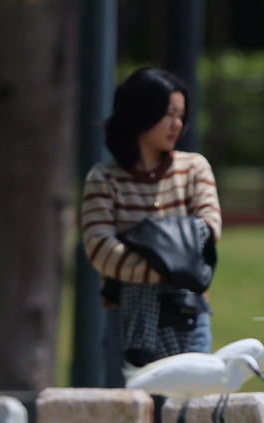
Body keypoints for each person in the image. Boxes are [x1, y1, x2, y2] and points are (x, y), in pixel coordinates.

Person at [81, 67, 222, 387]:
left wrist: (140, 246)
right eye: (168, 114)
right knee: (127, 419)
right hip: (125, 317)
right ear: (141, 112)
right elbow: (100, 248)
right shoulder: (103, 179)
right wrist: (176, 262)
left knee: (188, 415)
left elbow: (209, 231)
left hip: (189, 315)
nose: (178, 124)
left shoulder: (194, 168)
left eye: (181, 115)